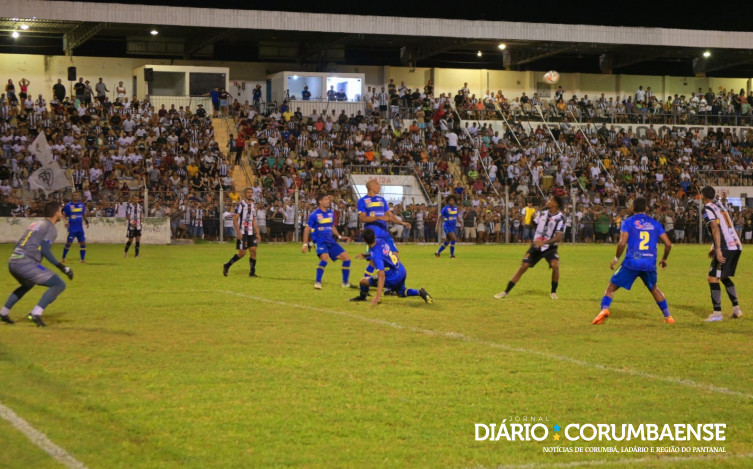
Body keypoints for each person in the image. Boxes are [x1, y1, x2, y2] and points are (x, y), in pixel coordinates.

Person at [592, 197, 674, 325]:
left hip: (632, 262)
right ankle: (668, 317)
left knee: (610, 288)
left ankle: (604, 310)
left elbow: (622, 243)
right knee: (654, 289)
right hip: (649, 263)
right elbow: (668, 244)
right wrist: (664, 259)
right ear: (646, 208)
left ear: (632, 208)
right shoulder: (655, 223)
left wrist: (616, 258)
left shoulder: (628, 222)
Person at [0, 201, 73, 327]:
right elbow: (45, 249)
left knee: (27, 284)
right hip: (25, 263)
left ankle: (3, 312)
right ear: (56, 213)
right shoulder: (51, 228)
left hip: (13, 260)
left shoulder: (35, 224)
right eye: (60, 211)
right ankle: (36, 313)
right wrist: (62, 267)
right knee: (58, 284)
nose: (62, 214)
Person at [494, 196, 565, 300]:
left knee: (555, 265)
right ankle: (505, 292)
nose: (548, 201)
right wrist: (532, 219)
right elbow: (533, 226)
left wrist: (544, 242)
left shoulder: (560, 218)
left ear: (555, 204)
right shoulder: (542, 213)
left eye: (550, 200)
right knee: (523, 266)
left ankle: (553, 292)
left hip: (550, 247)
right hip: (536, 246)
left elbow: (558, 237)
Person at [349, 228, 432, 305]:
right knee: (401, 292)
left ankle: (362, 297)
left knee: (363, 281)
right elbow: (380, 253)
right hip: (401, 270)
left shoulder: (376, 257)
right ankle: (419, 292)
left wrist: (378, 296)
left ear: (364, 240)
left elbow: (381, 275)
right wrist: (366, 255)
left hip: (392, 277)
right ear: (374, 236)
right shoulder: (380, 241)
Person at [701, 187, 743, 321]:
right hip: (736, 245)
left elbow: (715, 226)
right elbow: (724, 224)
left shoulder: (707, 208)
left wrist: (718, 249)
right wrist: (714, 246)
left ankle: (717, 313)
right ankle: (737, 309)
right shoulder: (720, 205)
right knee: (724, 276)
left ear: (702, 196)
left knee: (712, 278)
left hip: (726, 247)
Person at [357, 179, 411, 280]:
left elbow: (390, 216)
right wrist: (378, 217)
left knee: (395, 257)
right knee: (373, 261)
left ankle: (390, 284)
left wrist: (402, 223)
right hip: (373, 235)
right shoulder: (362, 201)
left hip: (385, 234)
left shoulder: (382, 200)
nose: (379, 186)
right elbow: (362, 218)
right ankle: (365, 281)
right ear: (371, 187)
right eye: (377, 184)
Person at [301, 193, 352, 289]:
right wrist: (305, 244)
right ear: (320, 201)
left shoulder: (330, 213)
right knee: (325, 258)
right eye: (326, 199)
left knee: (347, 258)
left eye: (329, 199)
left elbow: (332, 226)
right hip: (320, 241)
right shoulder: (314, 215)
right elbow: (307, 229)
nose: (328, 201)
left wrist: (340, 237)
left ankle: (345, 283)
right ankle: (318, 282)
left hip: (331, 241)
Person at [223, 188, 260, 277]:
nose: (250, 194)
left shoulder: (253, 206)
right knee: (242, 253)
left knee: (253, 251)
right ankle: (227, 265)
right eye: (248, 192)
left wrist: (257, 233)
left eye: (251, 193)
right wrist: (238, 232)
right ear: (244, 194)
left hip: (251, 232)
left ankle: (252, 272)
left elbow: (254, 220)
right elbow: (235, 219)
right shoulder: (240, 205)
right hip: (243, 232)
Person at [62, 191, 89, 263]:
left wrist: (86, 221)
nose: (76, 197)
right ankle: (63, 257)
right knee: (69, 243)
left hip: (80, 228)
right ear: (72, 197)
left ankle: (82, 259)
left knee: (83, 243)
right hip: (72, 228)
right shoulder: (68, 206)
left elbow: (83, 213)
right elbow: (63, 215)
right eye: (74, 196)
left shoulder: (81, 205)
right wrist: (66, 222)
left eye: (77, 196)